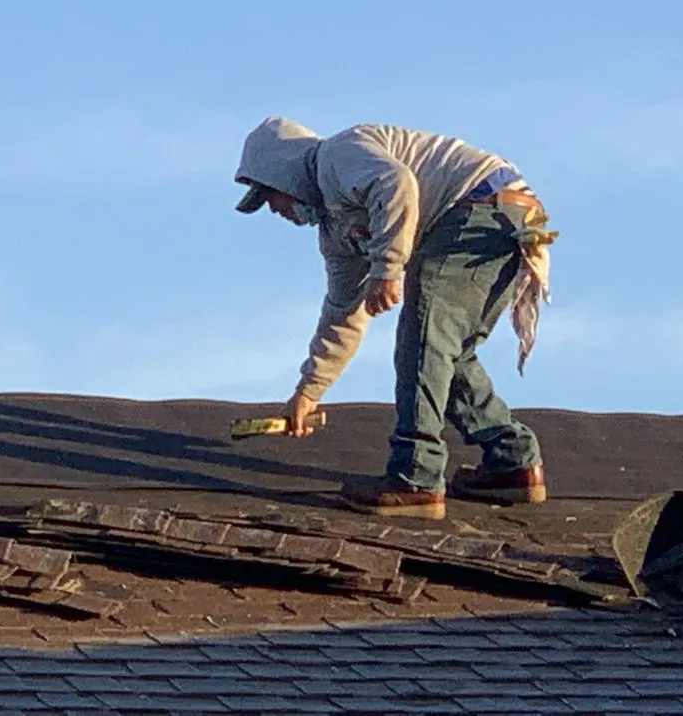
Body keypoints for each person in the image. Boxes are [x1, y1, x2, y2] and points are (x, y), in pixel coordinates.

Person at [233, 116, 558, 519]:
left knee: (423, 343)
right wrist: (309, 391)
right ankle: (513, 462)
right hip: (503, 214)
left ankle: (415, 478)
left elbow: (397, 183)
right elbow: (343, 313)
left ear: (283, 172)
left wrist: (388, 270)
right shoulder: (338, 230)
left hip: (480, 207)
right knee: (445, 352)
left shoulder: (336, 157)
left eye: (269, 197)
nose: (274, 210)